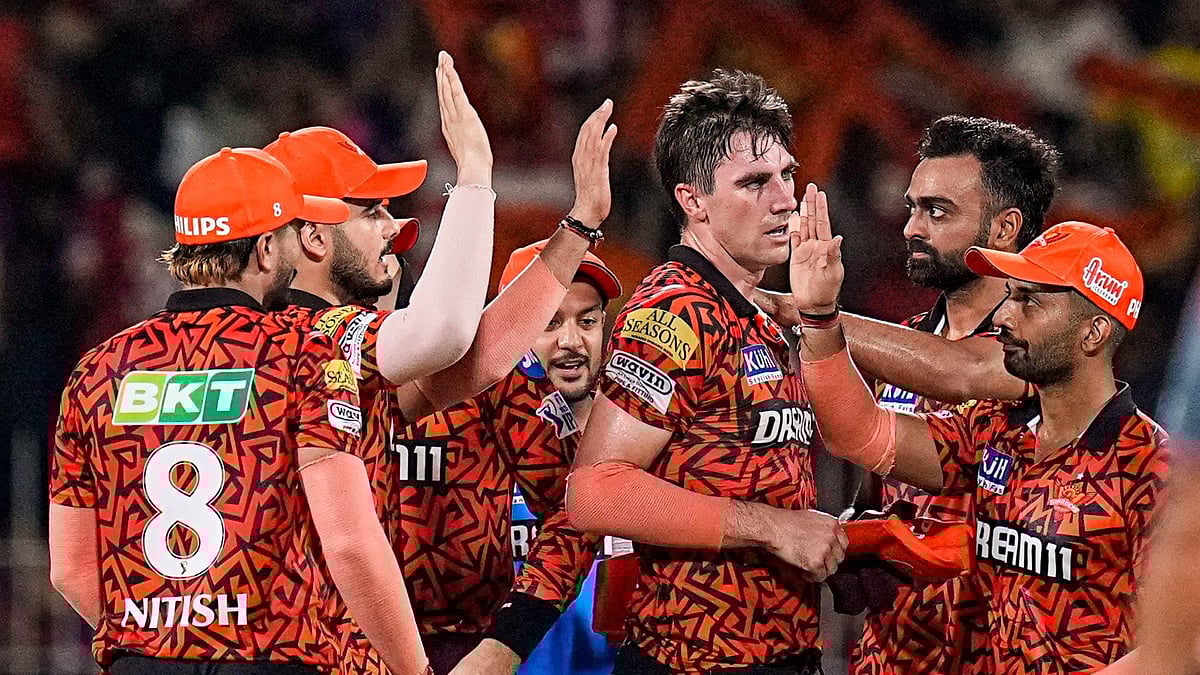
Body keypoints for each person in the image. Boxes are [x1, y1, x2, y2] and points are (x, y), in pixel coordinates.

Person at [264, 88, 618, 673]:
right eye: (373, 213)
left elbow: (481, 360)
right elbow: (454, 338)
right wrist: (477, 177)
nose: (393, 244)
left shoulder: (226, 350)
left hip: (397, 646)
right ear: (313, 237)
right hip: (326, 650)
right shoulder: (316, 345)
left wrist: (502, 648)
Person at [47, 146, 433, 675]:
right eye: (290, 233)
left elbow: (69, 570)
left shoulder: (97, 371)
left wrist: (165, 642)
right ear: (267, 249)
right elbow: (349, 543)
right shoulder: (303, 355)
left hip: (145, 660)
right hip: (270, 659)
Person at [788, 184, 1167, 675]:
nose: (1004, 316)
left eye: (1029, 302)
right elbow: (860, 434)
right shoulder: (992, 427)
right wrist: (819, 318)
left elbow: (1182, 643)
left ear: (1092, 332)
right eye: (1009, 296)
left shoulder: (1152, 467)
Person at [566, 69, 845, 674]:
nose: (785, 200)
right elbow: (595, 491)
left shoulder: (757, 309)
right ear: (693, 201)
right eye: (754, 182)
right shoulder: (677, 310)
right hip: (692, 659)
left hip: (782, 655)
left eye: (787, 175)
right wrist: (772, 528)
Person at [838, 115, 1061, 674]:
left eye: (937, 212)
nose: (911, 228)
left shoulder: (1044, 350)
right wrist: (856, 537)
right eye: (912, 208)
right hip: (891, 658)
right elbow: (879, 481)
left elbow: (958, 371)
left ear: (1005, 228)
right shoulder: (904, 344)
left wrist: (807, 317)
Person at [398, 237, 623, 675]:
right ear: (509, 329)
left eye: (587, 321)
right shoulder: (450, 435)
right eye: (549, 322)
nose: (571, 342)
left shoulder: (639, 441)